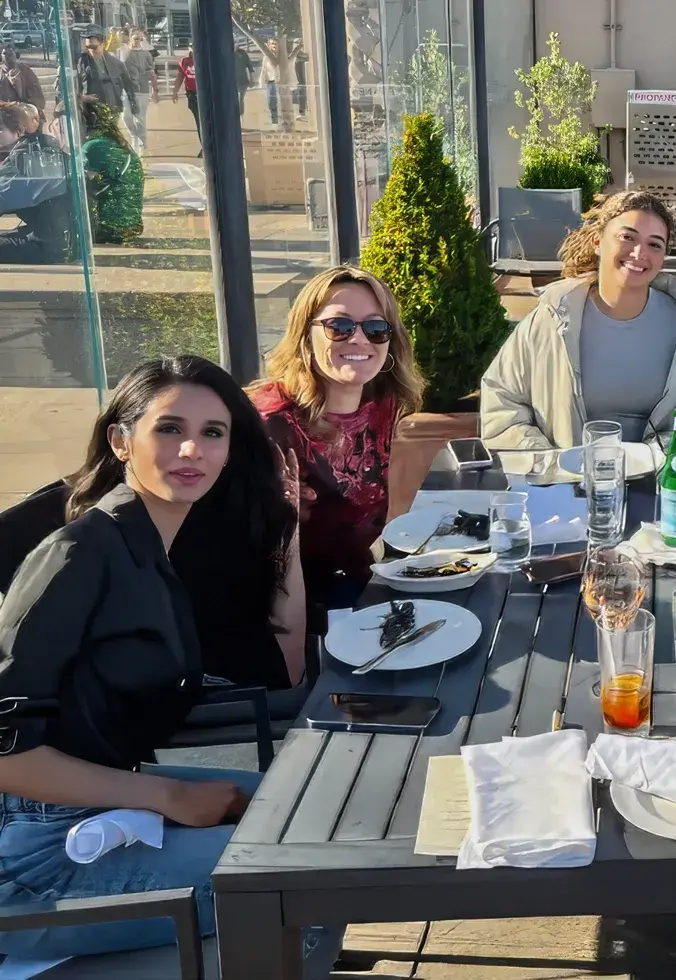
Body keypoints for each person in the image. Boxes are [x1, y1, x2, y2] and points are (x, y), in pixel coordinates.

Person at [0, 356, 311, 960]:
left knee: (309, 810)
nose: (192, 448)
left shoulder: (152, 539)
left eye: (213, 433)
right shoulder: (80, 553)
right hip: (33, 858)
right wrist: (169, 798)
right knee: (299, 873)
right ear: (121, 440)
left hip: (97, 803)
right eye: (169, 428)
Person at [481, 190, 676, 449]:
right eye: (628, 237)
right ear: (598, 242)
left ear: (663, 258)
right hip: (567, 483)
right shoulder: (551, 318)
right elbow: (502, 401)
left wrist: (654, 460)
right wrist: (551, 464)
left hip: (662, 484)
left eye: (654, 244)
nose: (639, 253)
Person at [250, 266, 425, 614]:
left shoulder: (383, 404)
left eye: (376, 328)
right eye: (339, 327)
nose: (359, 340)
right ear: (305, 335)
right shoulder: (271, 425)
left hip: (368, 585)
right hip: (292, 611)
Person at [0, 101, 73, 264]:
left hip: (49, 247)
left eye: (0, 129)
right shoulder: (44, 146)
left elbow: (3, 196)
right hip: (68, 241)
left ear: (19, 130)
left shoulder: (23, 157)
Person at [79, 97, 143, 244]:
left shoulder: (94, 146)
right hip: (130, 225)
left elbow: (77, 187)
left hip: (110, 229)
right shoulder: (111, 140)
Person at [76, 27, 131, 113]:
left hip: (113, 109)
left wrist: (134, 109)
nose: (91, 51)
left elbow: (129, 86)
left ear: (103, 45)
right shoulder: (81, 63)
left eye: (94, 47)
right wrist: (81, 97)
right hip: (91, 112)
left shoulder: (115, 63)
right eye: (88, 47)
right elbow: (70, 90)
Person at [119, 30, 157, 149]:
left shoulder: (147, 54)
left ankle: (142, 140)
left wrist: (155, 91)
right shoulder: (122, 51)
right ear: (130, 38)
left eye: (140, 39)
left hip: (142, 89)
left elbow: (152, 73)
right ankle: (134, 135)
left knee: (140, 117)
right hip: (126, 89)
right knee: (126, 116)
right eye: (135, 38)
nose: (137, 41)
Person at [0, 46, 46, 115]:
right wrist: (9, 105)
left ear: (16, 55)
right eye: (5, 53)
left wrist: (28, 107)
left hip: (26, 113)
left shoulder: (25, 70)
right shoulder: (1, 73)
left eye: (11, 51)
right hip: (5, 115)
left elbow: (39, 100)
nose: (8, 55)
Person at [179, 48, 200, 151]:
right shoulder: (185, 61)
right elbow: (180, 76)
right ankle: (204, 145)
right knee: (199, 121)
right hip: (192, 94)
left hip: (205, 94)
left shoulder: (206, 59)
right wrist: (175, 91)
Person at [261, 38, 279, 125]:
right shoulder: (266, 57)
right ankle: (274, 121)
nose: (274, 45)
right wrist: (262, 81)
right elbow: (263, 70)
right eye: (272, 43)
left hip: (280, 82)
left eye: (276, 43)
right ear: (269, 45)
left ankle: (284, 122)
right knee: (271, 102)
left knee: (282, 102)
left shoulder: (281, 56)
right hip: (270, 82)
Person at [233, 42, 251, 121]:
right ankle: (235, 118)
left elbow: (249, 65)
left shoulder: (242, 53)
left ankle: (240, 119)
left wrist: (252, 78)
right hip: (232, 82)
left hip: (243, 81)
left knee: (240, 99)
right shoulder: (228, 53)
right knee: (234, 100)